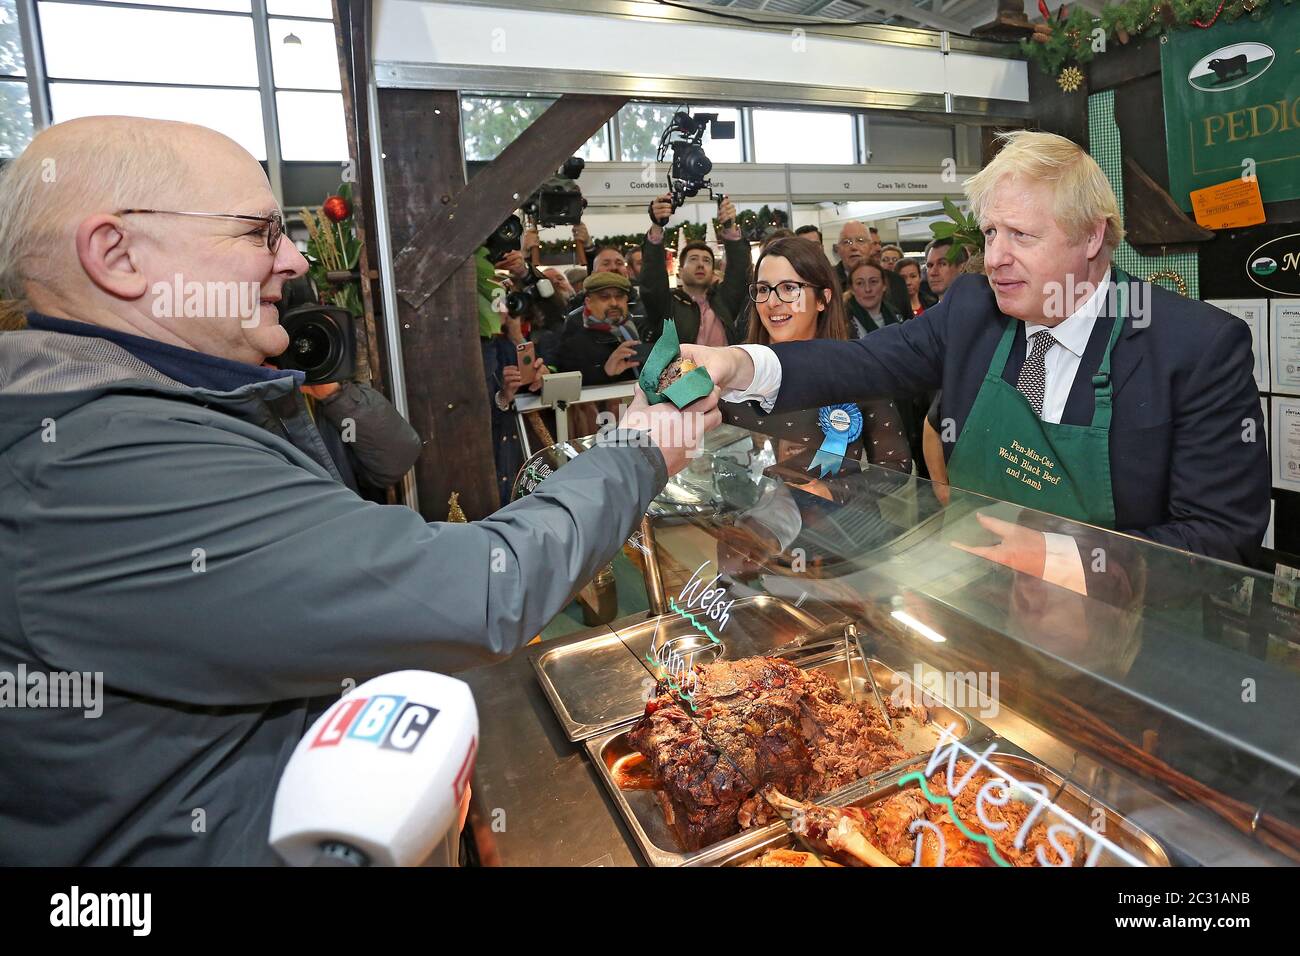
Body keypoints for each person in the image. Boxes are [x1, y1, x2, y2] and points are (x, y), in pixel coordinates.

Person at [0, 116, 722, 865]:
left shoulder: (137, 417)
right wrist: (641, 448)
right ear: (116, 254)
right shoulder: (100, 465)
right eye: (258, 232)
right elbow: (482, 588)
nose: (293, 257)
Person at [685, 129, 1268, 582]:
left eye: (1021, 235)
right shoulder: (972, 310)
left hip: (1130, 644)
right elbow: (862, 362)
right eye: (990, 234)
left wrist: (1065, 560)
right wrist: (742, 363)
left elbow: (1220, 536)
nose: (994, 259)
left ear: (1092, 237)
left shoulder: (1192, 346)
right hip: (983, 608)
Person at [726, 237, 911, 477]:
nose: (772, 302)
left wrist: (836, 491)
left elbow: (896, 464)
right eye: (763, 289)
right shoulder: (736, 372)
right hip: (748, 513)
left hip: (839, 515)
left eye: (789, 288)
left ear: (823, 298)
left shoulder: (859, 368)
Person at [638, 192, 750, 346]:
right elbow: (652, 277)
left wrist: (730, 227)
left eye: (707, 260)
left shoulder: (723, 301)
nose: (700, 264)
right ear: (680, 271)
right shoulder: (666, 305)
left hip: (723, 370)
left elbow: (739, 270)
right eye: (693, 259)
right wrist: (657, 225)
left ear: (713, 272)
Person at [556, 271, 641, 386]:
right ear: (589, 302)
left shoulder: (641, 329)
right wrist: (604, 371)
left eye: (619, 296)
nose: (614, 303)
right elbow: (566, 385)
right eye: (604, 297)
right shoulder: (574, 340)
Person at [834, 220, 912, 322]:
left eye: (860, 240)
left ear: (871, 247)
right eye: (846, 242)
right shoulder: (826, 282)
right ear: (838, 249)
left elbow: (908, 324)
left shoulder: (895, 281)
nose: (853, 247)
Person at [845, 259, 906, 338]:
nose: (868, 289)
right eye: (860, 283)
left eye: (873, 281)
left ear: (884, 285)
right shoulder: (842, 321)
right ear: (852, 289)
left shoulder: (897, 316)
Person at [923, 236, 966, 302]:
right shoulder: (930, 312)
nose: (933, 272)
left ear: (962, 267)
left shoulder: (979, 309)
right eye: (930, 266)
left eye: (942, 264)